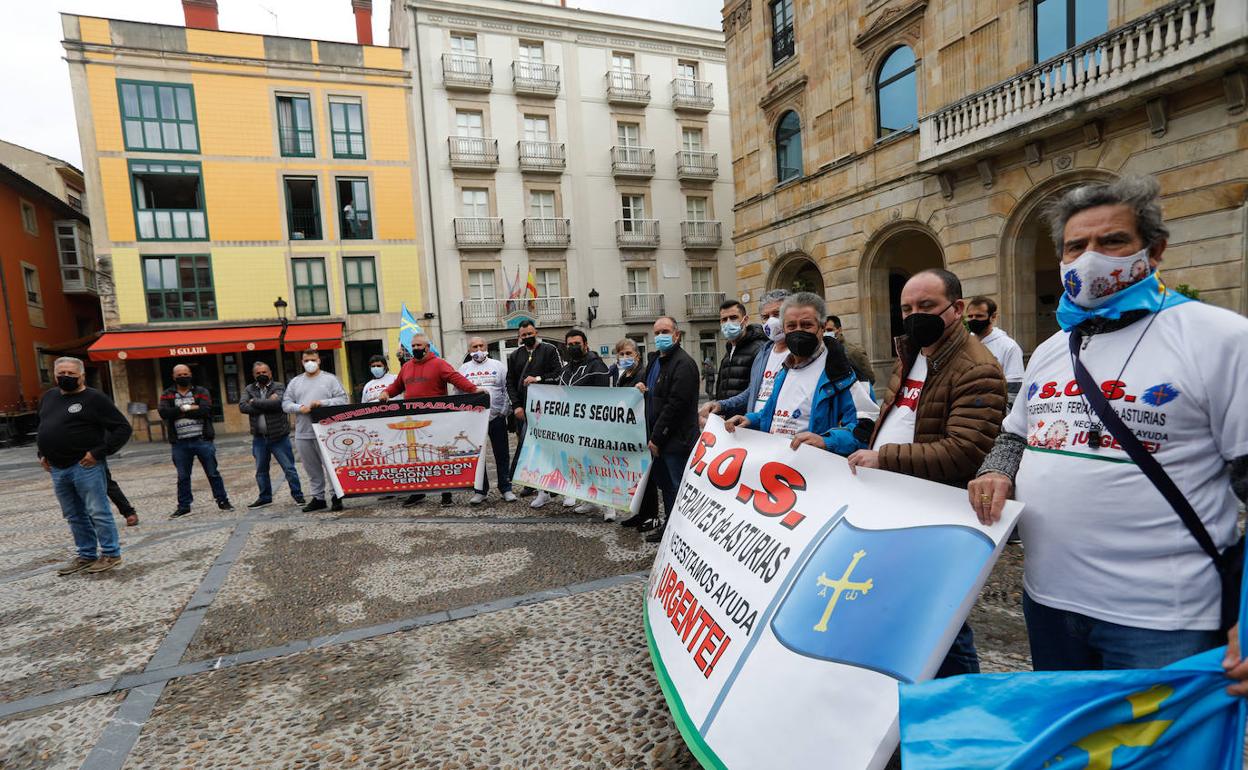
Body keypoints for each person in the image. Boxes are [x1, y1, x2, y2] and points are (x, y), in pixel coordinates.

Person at [967, 176, 1248, 679]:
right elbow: (1016, 434)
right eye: (1076, 246)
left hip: (1164, 621)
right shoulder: (1055, 348)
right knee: (1076, 757)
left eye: (1112, 241)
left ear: (1154, 251)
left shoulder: (1220, 337)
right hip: (1048, 603)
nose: (1091, 257)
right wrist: (1000, 471)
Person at [847, 268, 1007, 678]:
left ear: (955, 309)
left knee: (943, 626)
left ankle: (960, 709)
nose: (914, 315)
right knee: (907, 615)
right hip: (897, 505)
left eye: (926, 306)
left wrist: (885, 458)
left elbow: (967, 451)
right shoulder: (912, 354)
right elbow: (895, 418)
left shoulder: (977, 367)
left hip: (936, 514)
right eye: (906, 308)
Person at [725, 292, 868, 456]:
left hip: (817, 471)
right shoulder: (785, 369)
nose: (798, 332)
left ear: (821, 328)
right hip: (779, 465)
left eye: (807, 325)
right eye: (791, 326)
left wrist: (827, 441)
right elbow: (772, 414)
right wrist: (750, 420)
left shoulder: (844, 373)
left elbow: (864, 428)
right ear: (784, 329)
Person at [38, 357, 132, 575]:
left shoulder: (94, 398)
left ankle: (111, 553)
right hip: (57, 469)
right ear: (54, 375)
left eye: (71, 373)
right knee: (73, 515)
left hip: (85, 466)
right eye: (62, 373)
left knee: (97, 511)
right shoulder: (48, 397)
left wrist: (98, 453)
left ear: (82, 375)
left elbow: (122, 428)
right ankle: (86, 555)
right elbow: (43, 426)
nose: (66, 377)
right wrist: (42, 453)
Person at [380, 334, 478, 507]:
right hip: (413, 418)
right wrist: (386, 392)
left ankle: (446, 492)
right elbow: (397, 385)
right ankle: (417, 492)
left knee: (441, 455)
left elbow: (456, 378)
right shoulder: (407, 367)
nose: (415, 348)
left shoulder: (439, 363)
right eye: (413, 345)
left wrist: (474, 389)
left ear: (427, 347)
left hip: (437, 417)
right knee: (415, 456)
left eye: (419, 345)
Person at [638, 316, 700, 543]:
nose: (660, 336)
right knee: (666, 486)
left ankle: (680, 532)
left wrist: (656, 438)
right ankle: (669, 526)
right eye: (656, 333)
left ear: (677, 335)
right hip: (660, 440)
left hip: (676, 441)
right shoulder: (656, 360)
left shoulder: (683, 364)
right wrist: (642, 387)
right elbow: (652, 390)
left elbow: (675, 406)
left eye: (665, 331)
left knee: (677, 487)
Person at [700, 289, 790, 425]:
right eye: (765, 317)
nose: (771, 321)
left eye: (777, 314)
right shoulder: (765, 353)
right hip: (749, 428)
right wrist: (721, 406)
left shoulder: (761, 348)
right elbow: (754, 391)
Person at [159, 364, 234, 518]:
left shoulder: (201, 391)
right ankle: (184, 506)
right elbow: (164, 412)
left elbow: (206, 410)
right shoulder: (167, 394)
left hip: (202, 440)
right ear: (174, 377)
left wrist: (180, 410)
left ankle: (222, 500)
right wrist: (188, 408)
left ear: (191, 374)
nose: (183, 376)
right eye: (179, 374)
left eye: (185, 373)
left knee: (213, 473)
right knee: (183, 476)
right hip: (180, 443)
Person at [282, 349, 348, 512]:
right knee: (311, 468)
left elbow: (342, 399)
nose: (310, 363)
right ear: (302, 362)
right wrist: (299, 408)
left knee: (331, 465)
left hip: (327, 431)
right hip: (303, 432)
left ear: (319, 361)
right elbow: (285, 404)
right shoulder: (295, 382)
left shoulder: (330, 379)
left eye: (313, 359)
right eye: (306, 360)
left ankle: (336, 496)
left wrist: (323, 403)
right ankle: (318, 497)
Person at [505, 321, 563, 507]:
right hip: (524, 411)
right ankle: (532, 484)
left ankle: (554, 485)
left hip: (547, 410)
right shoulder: (515, 356)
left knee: (550, 448)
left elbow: (558, 374)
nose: (527, 336)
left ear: (536, 332)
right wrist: (516, 406)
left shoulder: (550, 350)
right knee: (528, 449)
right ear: (519, 336)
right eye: (524, 334)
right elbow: (510, 383)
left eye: (530, 333)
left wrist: (538, 379)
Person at [555, 329, 612, 516]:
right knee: (582, 465)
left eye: (577, 344)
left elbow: (604, 398)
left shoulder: (598, 366)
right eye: (569, 344)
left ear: (585, 344)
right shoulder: (566, 369)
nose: (573, 347)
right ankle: (589, 500)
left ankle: (608, 504)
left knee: (599, 465)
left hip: (595, 426)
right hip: (574, 427)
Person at [608, 339, 661, 530]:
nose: (624, 357)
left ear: (637, 355)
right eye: (621, 354)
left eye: (628, 353)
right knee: (635, 476)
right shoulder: (623, 376)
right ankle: (639, 513)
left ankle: (652, 516)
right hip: (629, 433)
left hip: (642, 432)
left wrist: (643, 391)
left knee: (647, 477)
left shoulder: (643, 374)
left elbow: (651, 397)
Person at [458, 336, 517, 505]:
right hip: (474, 420)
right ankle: (480, 490)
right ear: (469, 350)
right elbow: (458, 393)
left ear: (486, 347)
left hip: (496, 417)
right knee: (478, 455)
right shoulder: (463, 369)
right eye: (474, 347)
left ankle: (505, 488)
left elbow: (507, 388)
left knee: (502, 453)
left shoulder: (498, 366)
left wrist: (504, 411)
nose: (478, 350)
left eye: (481, 346)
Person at [239, 361, 304, 510]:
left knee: (289, 468)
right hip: (259, 438)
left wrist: (254, 402)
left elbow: (279, 404)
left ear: (270, 373)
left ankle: (298, 495)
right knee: (261, 470)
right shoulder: (249, 388)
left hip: (279, 437)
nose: (261, 375)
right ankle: (265, 497)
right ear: (254, 375)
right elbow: (243, 407)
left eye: (264, 372)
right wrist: (267, 403)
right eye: (258, 373)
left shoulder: (279, 387)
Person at [965, 296, 1024, 397]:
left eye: (979, 316)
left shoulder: (1009, 346)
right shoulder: (964, 342)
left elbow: (1014, 387)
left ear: (993, 317)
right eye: (970, 316)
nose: (973, 320)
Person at [715, 299, 768, 402]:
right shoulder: (729, 352)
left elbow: (757, 391)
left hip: (744, 417)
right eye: (724, 319)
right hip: (726, 416)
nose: (728, 323)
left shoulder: (759, 349)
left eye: (733, 318)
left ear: (745, 320)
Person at [825, 315, 875, 385]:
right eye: (823, 330)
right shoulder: (823, 352)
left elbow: (870, 378)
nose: (825, 333)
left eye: (829, 330)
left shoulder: (855, 351)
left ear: (839, 330)